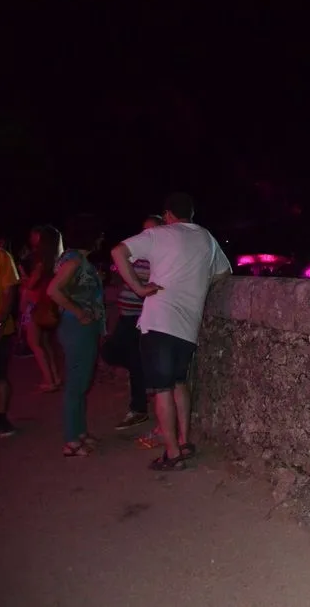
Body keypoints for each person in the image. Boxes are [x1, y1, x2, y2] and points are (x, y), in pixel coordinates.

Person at [111, 192, 231, 470]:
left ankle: (172, 453)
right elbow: (224, 272)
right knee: (179, 382)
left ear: (167, 215)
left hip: (159, 321)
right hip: (188, 324)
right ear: (192, 214)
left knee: (162, 389)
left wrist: (139, 288)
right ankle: (184, 441)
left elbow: (118, 252)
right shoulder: (206, 238)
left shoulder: (159, 234)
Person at [46, 218, 106, 456]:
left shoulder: (76, 259)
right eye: (99, 234)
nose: (101, 239)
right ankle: (71, 441)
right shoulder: (74, 260)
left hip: (81, 326)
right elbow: (53, 290)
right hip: (77, 326)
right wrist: (79, 312)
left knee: (81, 381)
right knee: (76, 383)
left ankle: (79, 432)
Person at [102, 214, 163, 430]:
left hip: (139, 317)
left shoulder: (159, 259)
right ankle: (144, 385)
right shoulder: (138, 255)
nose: (147, 234)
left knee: (127, 358)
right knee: (112, 353)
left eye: (152, 230)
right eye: (144, 230)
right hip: (126, 315)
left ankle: (138, 408)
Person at [23, 225, 64, 391]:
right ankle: (55, 377)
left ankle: (49, 380)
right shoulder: (58, 259)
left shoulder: (41, 260)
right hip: (49, 305)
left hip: (37, 304)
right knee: (46, 343)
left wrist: (22, 276)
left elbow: (31, 284)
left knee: (34, 343)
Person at [0, 243, 21, 436]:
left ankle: (1, 419)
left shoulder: (2, 257)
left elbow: (9, 292)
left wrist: (0, 322)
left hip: (0, 329)